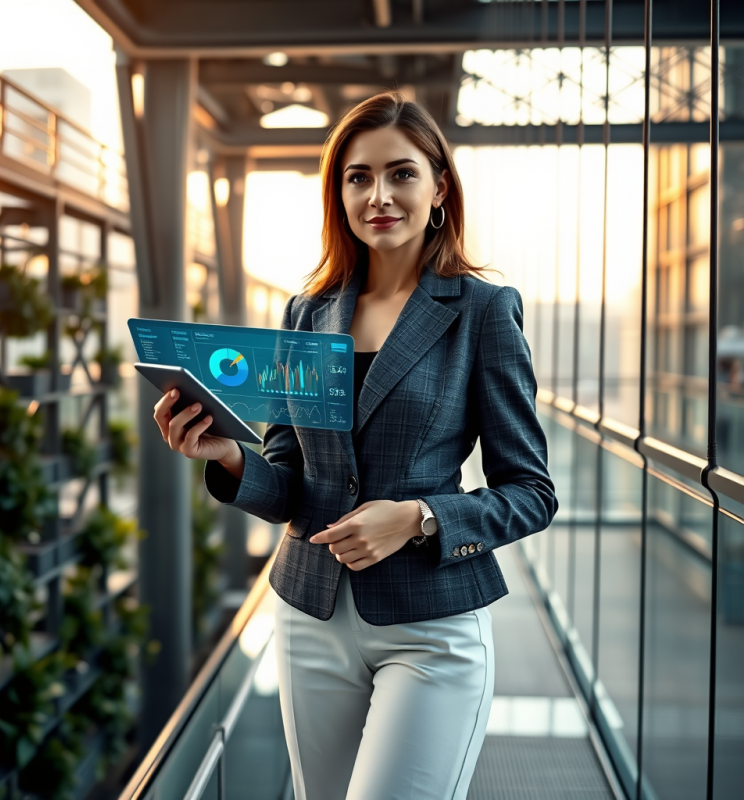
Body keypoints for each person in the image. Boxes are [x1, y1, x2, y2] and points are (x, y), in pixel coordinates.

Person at [153, 92, 557, 800]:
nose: (379, 195)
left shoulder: (484, 312)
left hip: (429, 626)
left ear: (438, 188)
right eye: (358, 177)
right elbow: (290, 485)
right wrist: (225, 456)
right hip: (309, 615)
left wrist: (419, 517)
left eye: (401, 174)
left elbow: (531, 493)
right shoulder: (307, 313)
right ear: (338, 194)